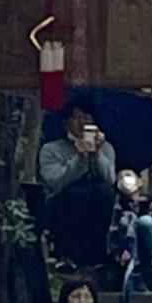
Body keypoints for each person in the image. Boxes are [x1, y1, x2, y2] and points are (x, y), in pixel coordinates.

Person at [38, 100, 117, 269]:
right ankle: (66, 254)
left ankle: (97, 256)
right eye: (77, 118)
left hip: (97, 202)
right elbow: (56, 181)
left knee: (103, 191)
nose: (82, 122)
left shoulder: (107, 148)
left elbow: (109, 178)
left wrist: (96, 154)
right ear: (67, 122)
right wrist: (79, 158)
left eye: (87, 118)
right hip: (64, 203)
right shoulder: (51, 149)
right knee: (76, 193)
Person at [109, 169, 152, 303]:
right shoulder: (118, 204)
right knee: (125, 221)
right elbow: (114, 230)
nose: (125, 178)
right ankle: (135, 274)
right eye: (121, 176)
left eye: (128, 175)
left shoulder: (150, 200)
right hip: (130, 248)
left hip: (149, 244)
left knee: (145, 221)